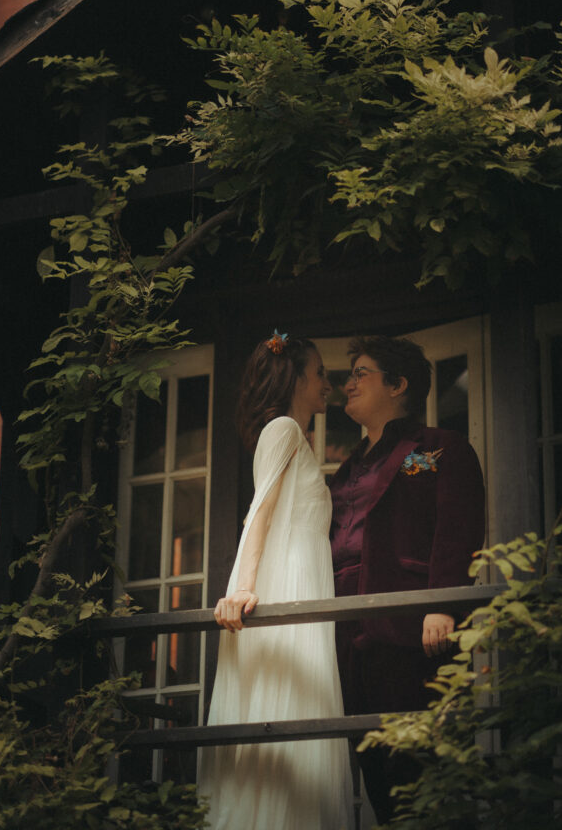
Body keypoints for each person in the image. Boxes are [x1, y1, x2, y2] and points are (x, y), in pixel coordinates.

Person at [329, 335, 486, 824]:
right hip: (343, 632)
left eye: (361, 372)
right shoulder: (345, 469)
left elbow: (456, 529)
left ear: (397, 385)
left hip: (410, 628)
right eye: (349, 373)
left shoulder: (437, 449)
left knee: (419, 763)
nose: (348, 382)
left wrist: (440, 603)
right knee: (373, 768)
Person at [201, 331, 354, 830]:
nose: (327, 384)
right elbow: (259, 511)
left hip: (306, 578)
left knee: (305, 708)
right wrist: (242, 587)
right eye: (319, 374)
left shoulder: (297, 438)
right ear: (295, 377)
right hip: (287, 580)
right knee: (285, 705)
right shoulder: (283, 429)